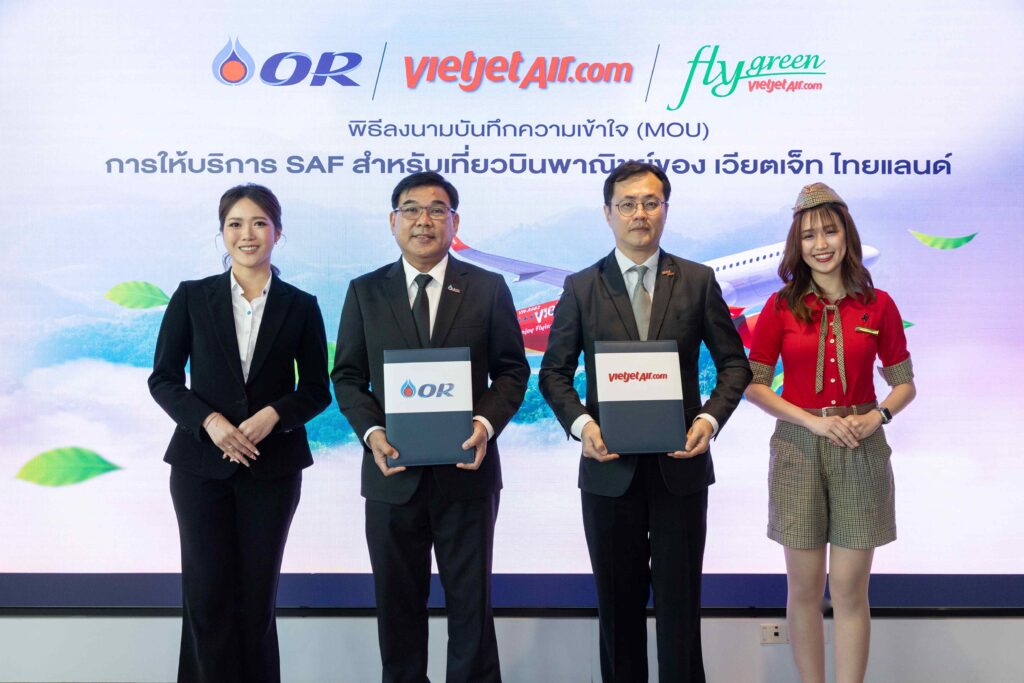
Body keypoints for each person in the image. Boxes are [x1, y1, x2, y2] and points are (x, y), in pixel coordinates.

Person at [539, 161, 752, 682]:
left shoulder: (698, 281)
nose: (640, 214)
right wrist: (582, 426)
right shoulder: (581, 287)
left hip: (681, 468)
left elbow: (735, 365)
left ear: (665, 210)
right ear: (608, 213)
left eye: (651, 203)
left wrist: (709, 420)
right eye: (628, 204)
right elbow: (553, 374)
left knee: (681, 611)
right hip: (609, 471)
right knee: (618, 615)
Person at [332, 171, 530, 683]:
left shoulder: (487, 288)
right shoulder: (366, 291)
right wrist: (372, 433)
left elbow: (512, 370)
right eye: (412, 210)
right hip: (392, 475)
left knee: (471, 609)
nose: (424, 220)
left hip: (467, 473)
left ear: (454, 222)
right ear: (393, 221)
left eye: (437, 210)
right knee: (397, 608)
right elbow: (348, 376)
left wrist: (485, 423)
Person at [148, 184, 331, 683]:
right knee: (206, 599)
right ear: (222, 232)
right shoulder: (192, 297)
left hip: (272, 470)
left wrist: (274, 414)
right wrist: (209, 421)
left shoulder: (300, 305)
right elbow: (163, 379)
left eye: (258, 223)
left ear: (277, 232)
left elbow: (317, 389)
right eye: (235, 224)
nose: (246, 234)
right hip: (199, 470)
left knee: (256, 601)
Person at [744, 182, 916, 683]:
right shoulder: (780, 306)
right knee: (803, 591)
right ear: (796, 245)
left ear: (847, 236)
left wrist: (877, 417)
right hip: (798, 449)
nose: (821, 244)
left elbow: (904, 385)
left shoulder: (878, 305)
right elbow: (754, 386)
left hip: (861, 447)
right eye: (809, 235)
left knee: (848, 589)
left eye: (830, 231)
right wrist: (812, 421)